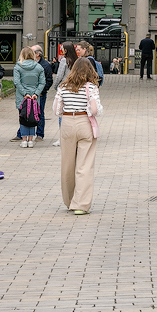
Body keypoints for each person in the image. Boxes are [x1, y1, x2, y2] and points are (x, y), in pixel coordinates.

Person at [54, 58, 102, 215]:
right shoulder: (91, 87)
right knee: (84, 165)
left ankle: (69, 200)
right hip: (84, 123)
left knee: (67, 164)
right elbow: (94, 109)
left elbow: (57, 109)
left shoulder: (63, 87)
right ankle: (80, 204)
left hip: (67, 122)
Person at [13, 47, 46, 148]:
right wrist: (36, 93)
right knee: (33, 117)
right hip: (34, 97)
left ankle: (23, 140)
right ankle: (31, 140)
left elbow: (16, 82)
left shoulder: (18, 67)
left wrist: (24, 93)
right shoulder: (39, 67)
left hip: (22, 97)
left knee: (23, 117)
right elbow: (42, 82)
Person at [52, 42, 78, 146]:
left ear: (66, 50)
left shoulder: (64, 60)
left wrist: (55, 86)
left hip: (64, 88)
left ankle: (62, 138)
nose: (62, 50)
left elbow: (59, 75)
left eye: (63, 49)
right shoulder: (77, 61)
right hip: (75, 88)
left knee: (61, 113)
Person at [31, 44, 53, 141]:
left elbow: (49, 80)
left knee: (40, 113)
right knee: (26, 112)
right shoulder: (29, 63)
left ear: (37, 54)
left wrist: (42, 91)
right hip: (30, 93)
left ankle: (40, 134)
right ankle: (22, 133)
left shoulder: (45, 65)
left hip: (40, 94)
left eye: (32, 52)